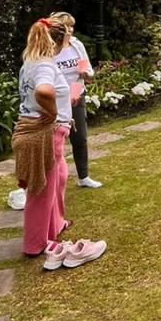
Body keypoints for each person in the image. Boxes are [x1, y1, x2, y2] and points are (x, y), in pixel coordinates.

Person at [11, 18, 106, 269]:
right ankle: (38, 244)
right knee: (41, 189)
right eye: (65, 40)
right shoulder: (44, 65)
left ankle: (56, 225)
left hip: (47, 133)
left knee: (59, 177)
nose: (68, 44)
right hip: (46, 133)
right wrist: (53, 113)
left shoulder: (32, 62)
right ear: (55, 41)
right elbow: (44, 92)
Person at [50, 11, 102, 189]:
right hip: (55, 99)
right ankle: (52, 180)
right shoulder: (48, 50)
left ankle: (83, 176)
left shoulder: (76, 45)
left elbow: (86, 69)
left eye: (72, 26)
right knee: (55, 141)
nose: (71, 30)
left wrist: (86, 74)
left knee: (80, 137)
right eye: (67, 27)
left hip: (76, 94)